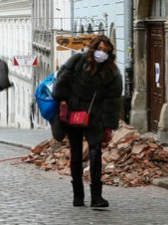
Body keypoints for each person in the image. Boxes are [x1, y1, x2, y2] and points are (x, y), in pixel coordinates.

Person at [52, 35, 123, 207]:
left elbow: (113, 100)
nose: (102, 53)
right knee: (76, 153)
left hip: (95, 116)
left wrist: (108, 125)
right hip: (74, 112)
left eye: (105, 51)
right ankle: (78, 196)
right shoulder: (77, 61)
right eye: (99, 49)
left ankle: (96, 197)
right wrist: (63, 102)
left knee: (95, 153)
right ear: (93, 49)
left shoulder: (112, 71)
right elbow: (61, 83)